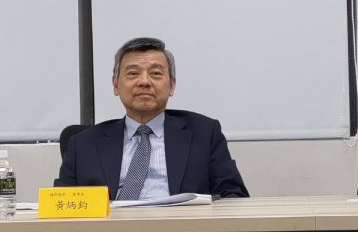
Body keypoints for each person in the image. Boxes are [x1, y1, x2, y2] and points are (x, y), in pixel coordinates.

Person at [56, 37, 248, 199]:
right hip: (110, 231)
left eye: (156, 73)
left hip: (180, 229)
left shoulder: (204, 134)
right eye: (133, 73)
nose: (144, 82)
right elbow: (59, 205)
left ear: (172, 85)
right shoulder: (83, 144)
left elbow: (233, 196)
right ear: (115, 85)